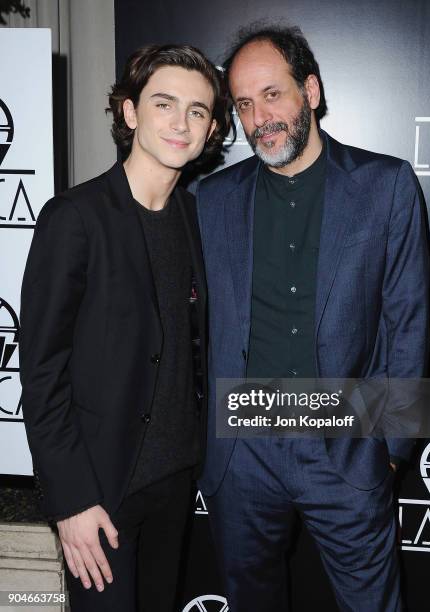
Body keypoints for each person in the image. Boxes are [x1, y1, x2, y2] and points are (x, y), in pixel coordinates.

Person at [196, 24, 430, 612]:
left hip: (347, 445)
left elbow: (406, 324)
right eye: (245, 105)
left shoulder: (386, 184)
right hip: (240, 451)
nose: (259, 118)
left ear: (312, 91)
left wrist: (393, 449)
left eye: (273, 94)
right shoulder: (210, 198)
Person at [19, 44, 228, 612]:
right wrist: (70, 502)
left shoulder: (194, 215)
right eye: (164, 105)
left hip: (175, 482)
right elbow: (41, 377)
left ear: (211, 130)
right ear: (130, 113)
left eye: (198, 111)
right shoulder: (76, 219)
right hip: (100, 493)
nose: (181, 124)